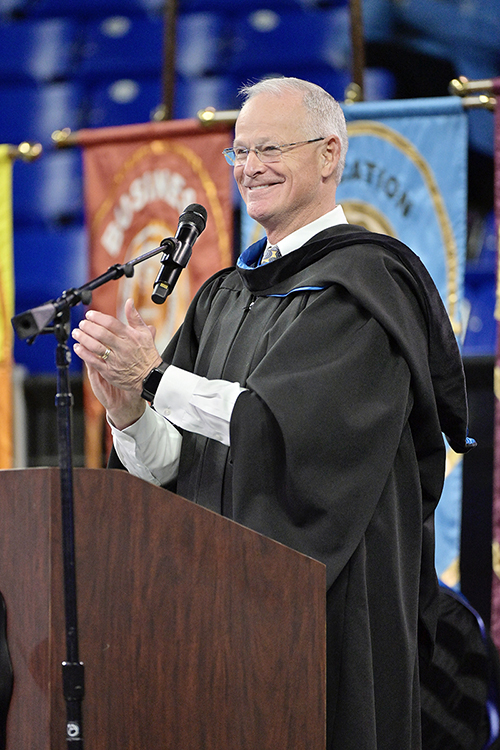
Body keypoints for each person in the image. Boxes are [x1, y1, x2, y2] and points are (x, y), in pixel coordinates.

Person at [72, 76, 474, 749]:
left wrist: (156, 378)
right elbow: (180, 468)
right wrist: (130, 415)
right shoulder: (225, 295)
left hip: (334, 609)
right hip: (220, 610)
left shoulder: (367, 286)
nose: (250, 167)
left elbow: (277, 427)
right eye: (239, 152)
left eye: (270, 148)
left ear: (329, 154)